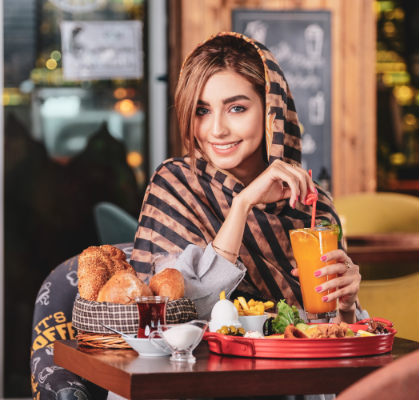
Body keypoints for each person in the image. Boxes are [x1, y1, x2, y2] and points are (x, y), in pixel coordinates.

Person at [130, 32, 363, 325]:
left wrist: (347, 308)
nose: (216, 129)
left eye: (236, 108)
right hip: (201, 368)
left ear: (271, 111)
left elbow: (332, 333)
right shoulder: (175, 185)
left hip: (302, 367)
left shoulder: (312, 204)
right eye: (202, 110)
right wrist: (243, 204)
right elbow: (181, 314)